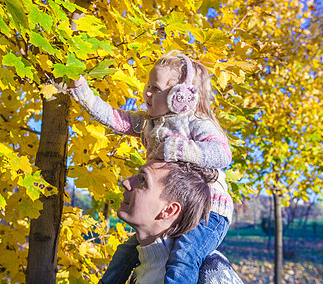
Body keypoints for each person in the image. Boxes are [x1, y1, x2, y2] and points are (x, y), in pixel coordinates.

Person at [69, 50, 233, 283]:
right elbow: (115, 118)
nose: (146, 93)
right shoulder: (150, 123)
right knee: (125, 253)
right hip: (174, 207)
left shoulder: (197, 124)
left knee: (184, 256)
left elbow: (222, 154)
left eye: (155, 89)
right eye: (148, 85)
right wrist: (82, 91)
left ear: (181, 96)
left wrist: (181, 149)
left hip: (208, 212)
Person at [103, 160, 242, 284]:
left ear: (169, 210)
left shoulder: (212, 272)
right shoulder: (142, 266)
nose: (126, 182)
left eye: (143, 180)